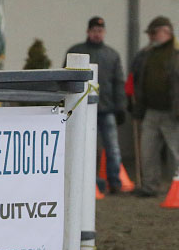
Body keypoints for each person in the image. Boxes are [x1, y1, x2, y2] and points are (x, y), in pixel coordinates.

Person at [66, 17, 127, 193]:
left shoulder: (112, 55)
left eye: (100, 31)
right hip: (82, 108)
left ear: (104, 32)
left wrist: (121, 107)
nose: (97, 34)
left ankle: (114, 183)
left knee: (113, 148)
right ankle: (87, 182)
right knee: (83, 146)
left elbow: (118, 82)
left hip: (106, 108)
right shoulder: (76, 52)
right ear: (88, 32)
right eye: (94, 30)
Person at [129, 16, 179, 197]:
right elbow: (139, 79)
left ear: (166, 31)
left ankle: (176, 188)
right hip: (151, 111)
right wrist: (137, 106)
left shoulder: (176, 52)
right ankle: (150, 186)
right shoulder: (147, 53)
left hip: (173, 113)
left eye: (153, 32)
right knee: (147, 151)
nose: (150, 36)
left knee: (176, 153)